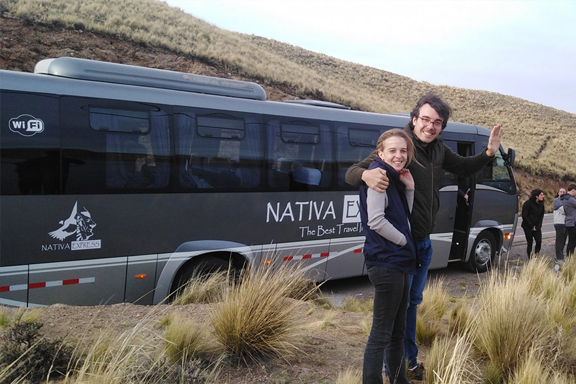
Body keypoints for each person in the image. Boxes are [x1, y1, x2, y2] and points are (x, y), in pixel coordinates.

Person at [346, 91, 503, 380]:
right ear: (415, 118)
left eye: (438, 122)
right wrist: (366, 175)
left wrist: (489, 153)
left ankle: (404, 365)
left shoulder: (439, 150)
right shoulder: (398, 144)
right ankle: (403, 364)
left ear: (442, 126)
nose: (431, 126)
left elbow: (465, 167)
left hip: (422, 243)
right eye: (426, 119)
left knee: (411, 304)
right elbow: (354, 171)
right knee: (394, 315)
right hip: (400, 246)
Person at [359, 129, 417, 384]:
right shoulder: (378, 176)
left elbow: (402, 217)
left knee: (397, 332)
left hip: (397, 261)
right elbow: (376, 221)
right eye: (392, 150)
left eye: (403, 150)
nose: (399, 155)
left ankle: (398, 380)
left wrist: (410, 189)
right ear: (381, 153)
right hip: (387, 262)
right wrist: (404, 242)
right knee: (382, 333)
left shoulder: (394, 177)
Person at [521, 189, 545, 259]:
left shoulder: (541, 205)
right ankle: (530, 258)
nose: (543, 196)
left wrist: (538, 226)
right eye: (541, 195)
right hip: (527, 226)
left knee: (539, 241)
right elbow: (524, 216)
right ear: (536, 196)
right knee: (530, 242)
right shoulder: (528, 203)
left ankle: (536, 255)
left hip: (537, 227)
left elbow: (541, 217)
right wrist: (531, 226)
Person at [561, 184, 576, 257]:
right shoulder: (570, 199)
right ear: (573, 190)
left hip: (569, 222)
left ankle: (569, 256)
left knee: (571, 240)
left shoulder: (565, 198)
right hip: (572, 222)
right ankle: (570, 256)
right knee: (573, 241)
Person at [553, 188, 567, 263]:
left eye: (563, 192)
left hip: (566, 223)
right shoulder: (556, 201)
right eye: (560, 192)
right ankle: (559, 257)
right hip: (559, 223)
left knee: (564, 240)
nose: (562, 193)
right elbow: (564, 210)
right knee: (559, 240)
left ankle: (561, 255)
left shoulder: (566, 201)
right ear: (558, 193)